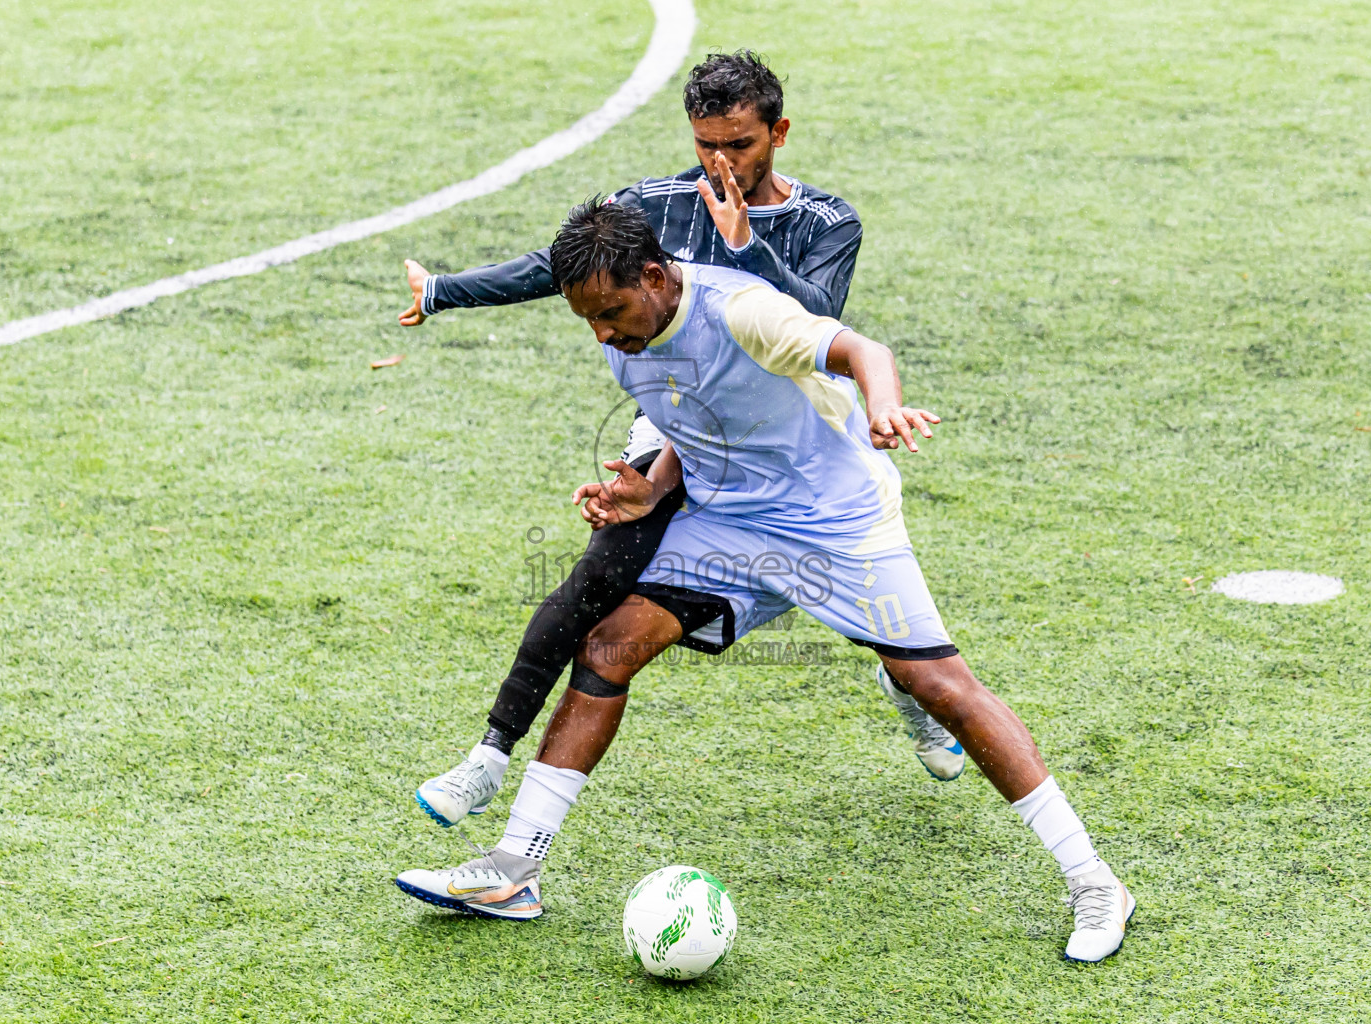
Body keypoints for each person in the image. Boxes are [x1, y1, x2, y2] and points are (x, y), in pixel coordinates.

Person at [395, 201, 1136, 964]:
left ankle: (1093, 881)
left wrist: (882, 410)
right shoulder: (627, 335)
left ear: (654, 276)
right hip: (733, 525)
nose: (602, 335)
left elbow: (863, 350)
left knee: (943, 686)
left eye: (611, 312)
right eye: (587, 319)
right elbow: (697, 419)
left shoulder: (742, 310)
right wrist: (650, 492)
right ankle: (515, 870)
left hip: (835, 522)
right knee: (609, 647)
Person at [403, 51, 964, 829]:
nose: (721, 161)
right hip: (682, 431)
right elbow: (556, 269)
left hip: (796, 444)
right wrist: (442, 292)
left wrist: (746, 246)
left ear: (778, 132)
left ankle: (913, 696)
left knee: (890, 629)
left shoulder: (825, 222)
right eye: (707, 144)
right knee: (603, 572)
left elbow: (820, 315)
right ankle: (490, 756)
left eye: (738, 144)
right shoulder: (657, 207)